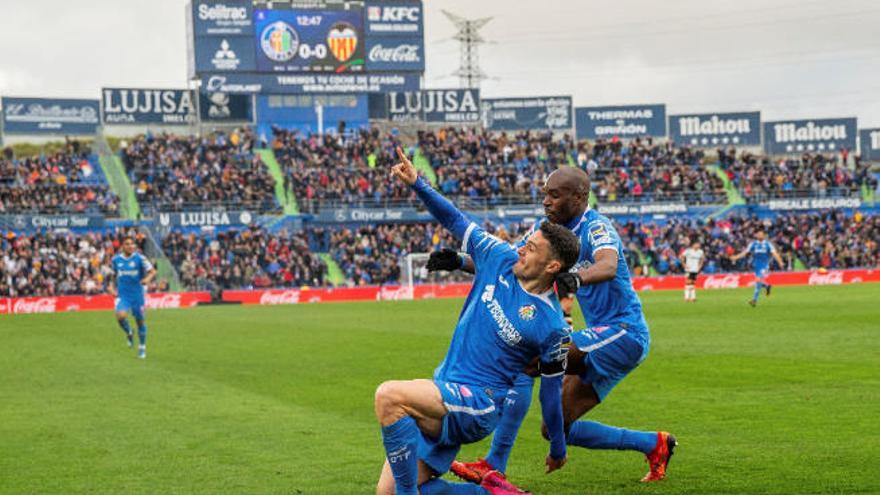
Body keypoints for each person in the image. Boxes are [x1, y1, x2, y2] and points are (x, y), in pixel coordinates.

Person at [430, 167, 675, 484]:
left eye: (554, 195)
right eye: (545, 193)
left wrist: (577, 277)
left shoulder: (596, 227)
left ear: (579, 197)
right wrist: (460, 261)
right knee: (555, 428)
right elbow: (512, 260)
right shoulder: (545, 230)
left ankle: (494, 465)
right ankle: (654, 444)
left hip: (624, 333)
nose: (546, 201)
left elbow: (608, 264)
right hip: (598, 341)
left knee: (527, 360)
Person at [375, 148, 579, 495]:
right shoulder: (498, 257)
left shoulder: (553, 327)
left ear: (552, 267)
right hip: (445, 388)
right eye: (525, 243)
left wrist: (558, 448)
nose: (521, 249)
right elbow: (456, 220)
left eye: (531, 249)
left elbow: (550, 395)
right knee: (386, 492)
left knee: (389, 396)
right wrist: (418, 184)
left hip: (477, 403)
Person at [109, 237, 155, 359]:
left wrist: (147, 279)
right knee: (120, 316)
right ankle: (129, 331)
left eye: (132, 244)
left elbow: (152, 271)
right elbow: (113, 275)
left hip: (137, 295)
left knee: (140, 322)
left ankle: (142, 347)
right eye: (127, 244)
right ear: (122, 246)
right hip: (123, 295)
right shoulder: (116, 260)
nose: (130, 246)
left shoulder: (140, 258)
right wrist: (111, 287)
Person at [729, 229, 784, 307]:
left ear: (764, 235)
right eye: (758, 234)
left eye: (761, 234)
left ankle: (754, 300)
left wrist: (780, 262)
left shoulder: (768, 244)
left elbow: (775, 254)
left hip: (765, 266)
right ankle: (767, 286)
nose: (759, 235)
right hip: (756, 266)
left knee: (758, 280)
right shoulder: (753, 244)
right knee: (758, 282)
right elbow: (745, 253)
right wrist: (736, 257)